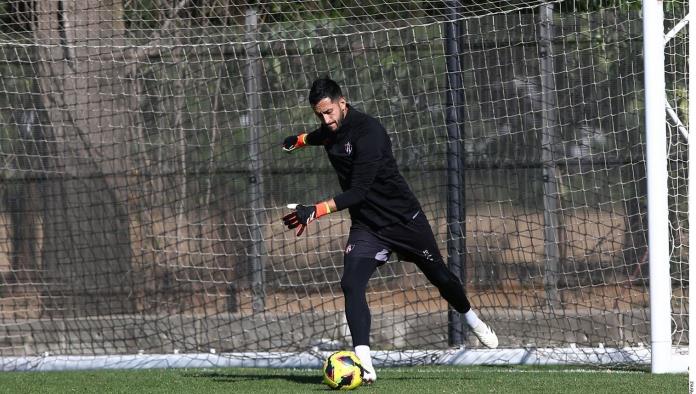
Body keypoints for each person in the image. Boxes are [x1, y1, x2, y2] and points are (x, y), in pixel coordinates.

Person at [281, 77, 498, 384]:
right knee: (351, 284)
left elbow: (357, 192)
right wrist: (301, 140)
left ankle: (471, 318)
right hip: (368, 227)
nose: (326, 120)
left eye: (329, 112)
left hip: (404, 221)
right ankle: (365, 365)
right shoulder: (330, 130)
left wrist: (314, 211)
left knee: (442, 279)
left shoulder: (370, 133)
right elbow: (324, 136)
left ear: (342, 103)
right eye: (320, 115)